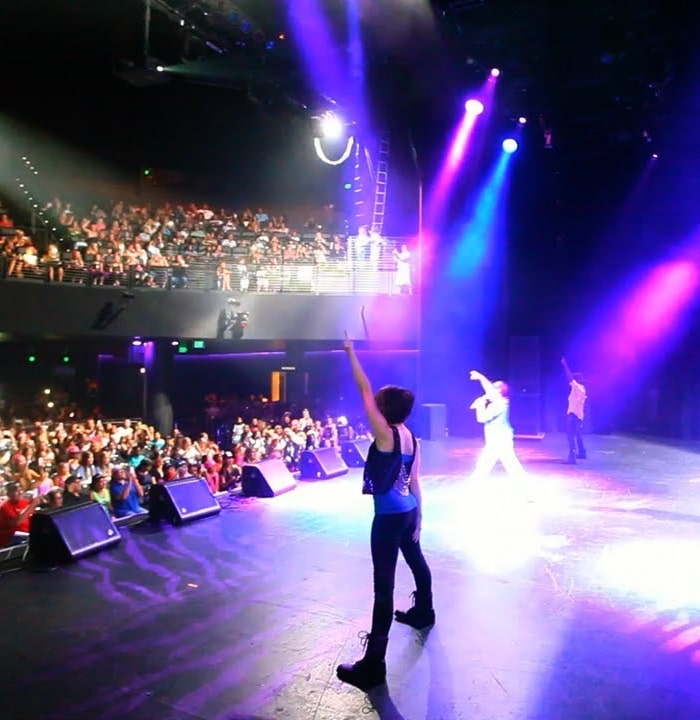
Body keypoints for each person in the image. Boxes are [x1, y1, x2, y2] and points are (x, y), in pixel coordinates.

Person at [336, 333, 434, 693]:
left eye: (379, 402)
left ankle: (373, 666)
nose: (373, 403)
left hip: (389, 520)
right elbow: (416, 481)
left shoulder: (386, 434)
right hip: (408, 512)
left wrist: (350, 352)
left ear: (385, 409)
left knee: (383, 590)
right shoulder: (410, 436)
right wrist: (420, 518)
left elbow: (364, 389)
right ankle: (425, 610)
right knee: (417, 561)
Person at [469, 370, 525, 481]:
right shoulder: (498, 402)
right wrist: (481, 378)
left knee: (510, 465)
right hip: (497, 439)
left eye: (494, 388)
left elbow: (482, 418)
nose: (490, 391)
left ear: (499, 391)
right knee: (486, 464)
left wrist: (480, 404)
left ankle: (527, 490)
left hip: (499, 439)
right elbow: (489, 390)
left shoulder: (500, 404)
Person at [0, 482, 43, 548]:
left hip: (28, 536)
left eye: (20, 490)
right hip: (11, 541)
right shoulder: (5, 507)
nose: (20, 492)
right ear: (8, 493)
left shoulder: (25, 502)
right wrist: (32, 505)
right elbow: (16, 522)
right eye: (16, 491)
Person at [561, 356, 587, 464]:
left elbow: (569, 377)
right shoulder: (582, 389)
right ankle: (582, 452)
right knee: (577, 434)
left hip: (573, 416)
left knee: (570, 436)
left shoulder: (576, 387)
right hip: (579, 416)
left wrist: (564, 364)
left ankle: (572, 457)